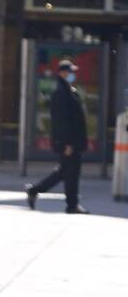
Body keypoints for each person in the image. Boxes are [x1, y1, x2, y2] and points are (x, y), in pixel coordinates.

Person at [26, 60, 89, 214]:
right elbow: (61, 121)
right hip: (68, 142)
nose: (73, 74)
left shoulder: (68, 89)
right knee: (68, 172)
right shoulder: (60, 92)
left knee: (68, 172)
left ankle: (68, 203)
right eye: (70, 71)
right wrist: (67, 143)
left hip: (73, 141)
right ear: (62, 73)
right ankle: (69, 203)